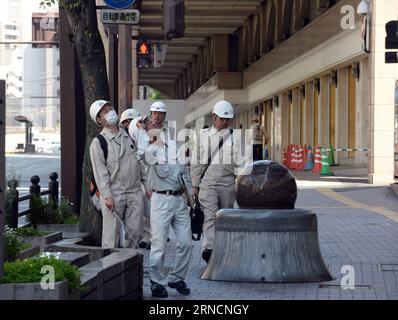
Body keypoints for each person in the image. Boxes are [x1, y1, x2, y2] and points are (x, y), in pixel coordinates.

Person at [190, 100, 244, 263]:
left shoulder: (236, 137)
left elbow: (242, 163)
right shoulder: (203, 136)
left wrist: (242, 182)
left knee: (225, 218)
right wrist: (194, 185)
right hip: (208, 185)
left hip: (228, 185)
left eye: (228, 119)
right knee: (210, 217)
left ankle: (224, 250)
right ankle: (209, 250)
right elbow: (196, 161)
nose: (226, 122)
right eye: (222, 118)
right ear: (214, 117)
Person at [89, 100, 146, 249]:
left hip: (134, 191)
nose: (110, 112)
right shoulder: (98, 142)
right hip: (114, 194)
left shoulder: (129, 135)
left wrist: (147, 185)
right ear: (99, 119)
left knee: (136, 232)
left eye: (110, 108)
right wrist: (107, 195)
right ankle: (110, 268)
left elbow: (140, 162)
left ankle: (128, 266)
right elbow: (100, 172)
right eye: (105, 111)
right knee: (111, 236)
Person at [145, 127, 193, 298]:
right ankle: (156, 282)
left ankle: (176, 278)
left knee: (187, 243)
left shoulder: (175, 149)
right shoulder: (150, 152)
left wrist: (191, 199)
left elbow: (184, 173)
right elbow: (142, 155)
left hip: (179, 200)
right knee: (159, 245)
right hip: (161, 199)